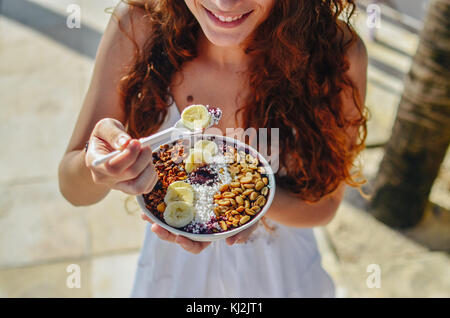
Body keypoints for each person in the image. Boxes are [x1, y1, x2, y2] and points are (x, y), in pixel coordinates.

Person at [58, 0, 368, 297]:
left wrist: (242, 208)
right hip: (174, 274)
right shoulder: (139, 26)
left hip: (279, 273)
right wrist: (101, 166)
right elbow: (73, 189)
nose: (224, 3)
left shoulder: (335, 54)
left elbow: (325, 206)